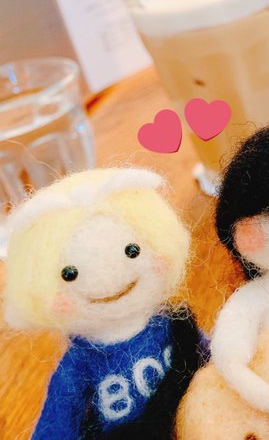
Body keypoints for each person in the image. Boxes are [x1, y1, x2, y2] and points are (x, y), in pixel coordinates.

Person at [4, 168, 207, 439]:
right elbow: (57, 421)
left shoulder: (177, 326)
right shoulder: (79, 364)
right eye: (70, 274)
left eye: (132, 251)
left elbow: (213, 359)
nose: (110, 279)